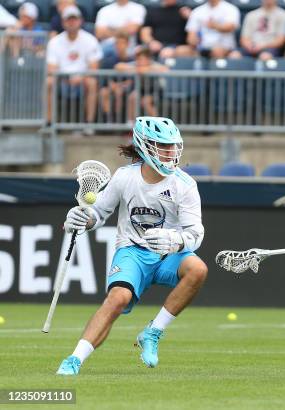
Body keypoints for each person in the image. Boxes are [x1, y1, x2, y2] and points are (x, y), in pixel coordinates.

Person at [56, 116, 208, 376]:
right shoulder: (125, 177)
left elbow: (196, 233)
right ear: (145, 146)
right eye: (164, 146)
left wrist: (176, 240)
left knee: (198, 269)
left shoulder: (185, 185)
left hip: (167, 253)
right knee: (118, 299)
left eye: (173, 146)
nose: (171, 153)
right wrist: (82, 219)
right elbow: (99, 213)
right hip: (132, 251)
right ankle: (74, 359)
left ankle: (153, 332)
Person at [46, 6, 102, 133]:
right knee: (49, 82)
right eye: (68, 19)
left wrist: (81, 78)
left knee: (92, 82)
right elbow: (51, 69)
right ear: (63, 22)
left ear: (80, 21)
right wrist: (65, 78)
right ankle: (49, 122)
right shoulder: (54, 41)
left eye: (74, 19)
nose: (71, 22)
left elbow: (94, 68)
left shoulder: (90, 40)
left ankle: (89, 124)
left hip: (83, 79)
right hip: (61, 79)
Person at [115, 47, 170, 121]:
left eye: (142, 59)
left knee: (146, 101)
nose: (140, 61)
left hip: (155, 91)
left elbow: (165, 69)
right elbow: (118, 66)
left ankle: (158, 125)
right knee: (132, 97)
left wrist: (147, 69)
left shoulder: (154, 64)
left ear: (148, 59)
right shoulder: (136, 65)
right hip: (140, 90)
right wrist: (136, 69)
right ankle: (131, 125)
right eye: (138, 59)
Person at [99, 31, 133, 123]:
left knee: (119, 92)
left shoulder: (132, 60)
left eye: (122, 43)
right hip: (112, 87)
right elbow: (105, 79)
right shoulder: (108, 61)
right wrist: (112, 85)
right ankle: (108, 120)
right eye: (117, 43)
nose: (119, 46)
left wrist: (121, 85)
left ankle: (119, 121)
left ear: (128, 44)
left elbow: (132, 81)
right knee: (104, 92)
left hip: (127, 89)